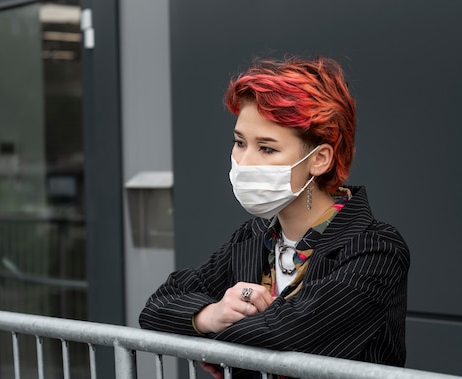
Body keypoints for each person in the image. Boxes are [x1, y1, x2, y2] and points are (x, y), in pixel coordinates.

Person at [139, 55, 410, 378]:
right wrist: (210, 315)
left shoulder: (376, 250)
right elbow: (157, 306)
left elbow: (287, 333)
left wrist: (212, 345)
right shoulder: (253, 238)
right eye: (240, 142)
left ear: (320, 159)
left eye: (267, 148)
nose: (244, 161)